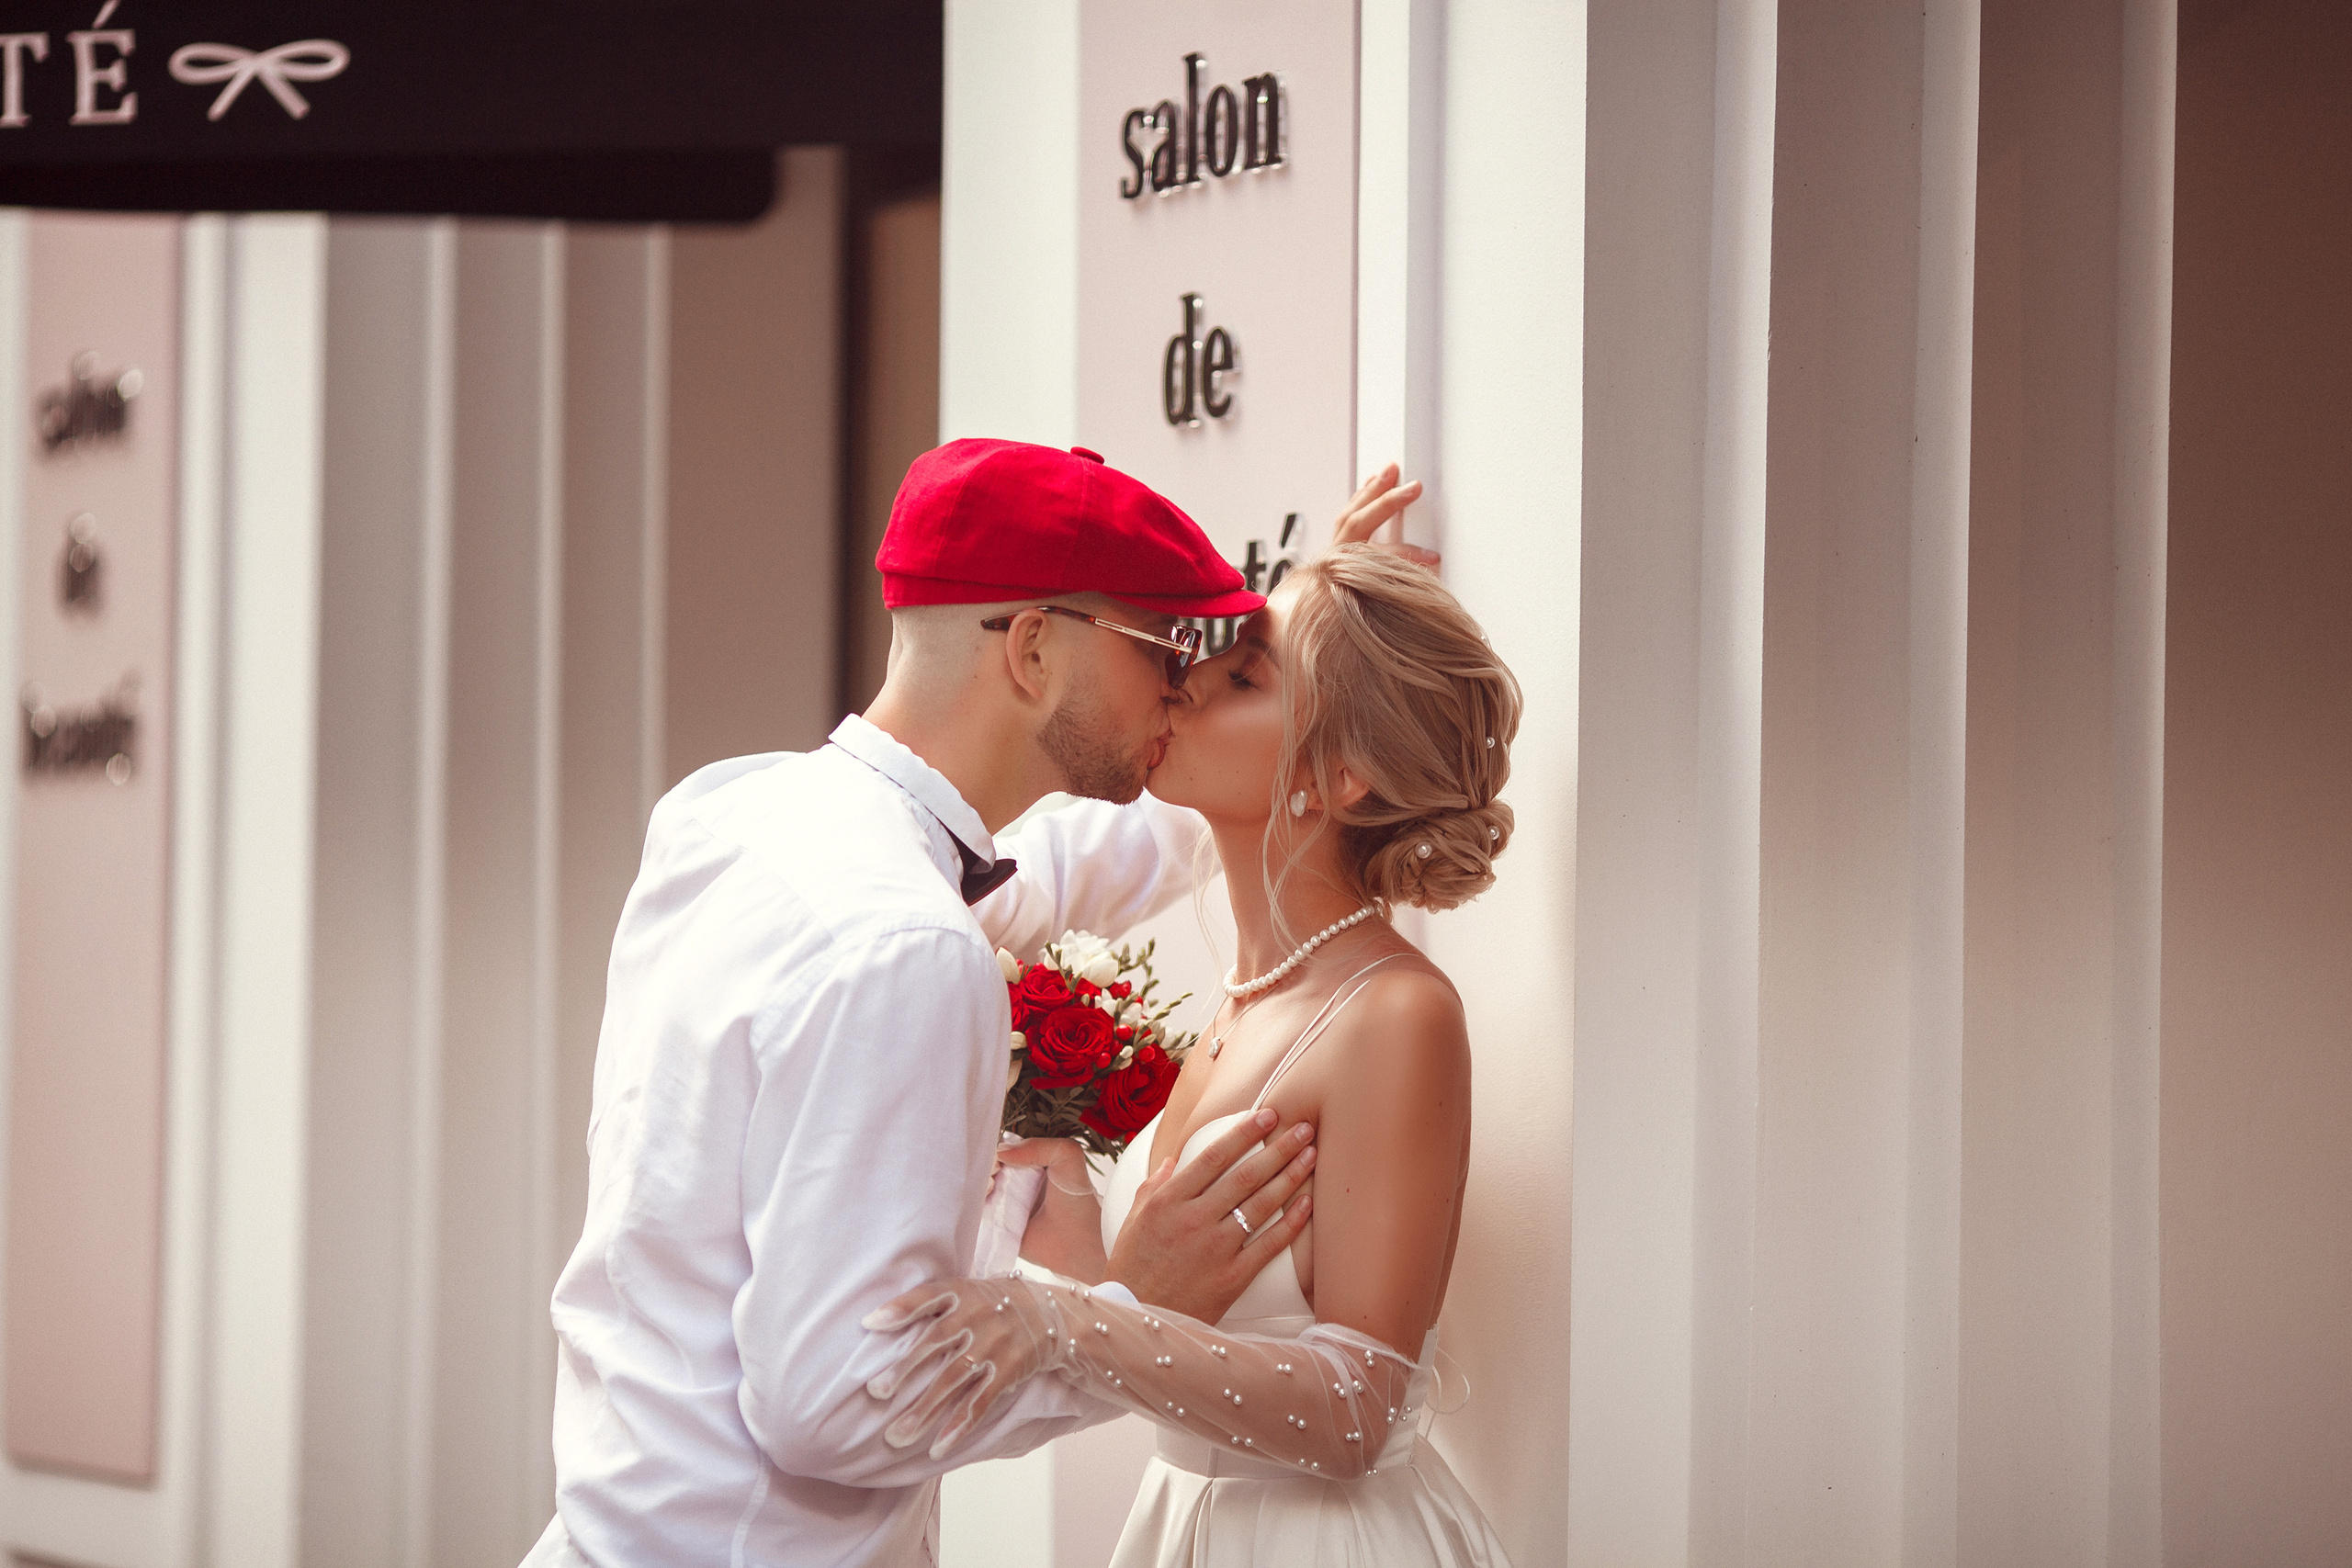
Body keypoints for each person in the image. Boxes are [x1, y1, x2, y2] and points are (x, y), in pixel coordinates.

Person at [523, 439, 1426, 1568]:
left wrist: (1320, 688)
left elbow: (1056, 866)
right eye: (1160, 646)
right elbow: (837, 1407)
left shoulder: (732, 816)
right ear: (1036, 648)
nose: (1179, 684)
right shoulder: (905, 940)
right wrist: (1121, 1305)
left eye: (1218, 666)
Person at [864, 545, 1521, 1566]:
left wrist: (1064, 1323)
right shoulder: (1243, 997)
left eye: (1246, 675)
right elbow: (1201, 1310)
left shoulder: (1396, 1013)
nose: (1187, 673)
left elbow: (1355, 1414)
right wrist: (1088, 1257)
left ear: (1337, 777)